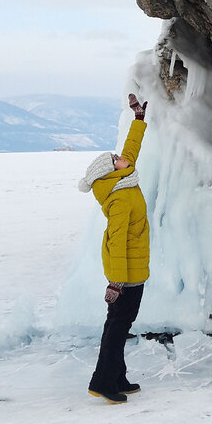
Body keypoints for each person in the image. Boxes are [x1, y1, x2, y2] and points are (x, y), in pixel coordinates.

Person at [78, 93, 150, 404]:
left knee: (120, 324)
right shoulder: (119, 197)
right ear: (109, 172)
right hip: (127, 273)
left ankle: (117, 376)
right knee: (118, 327)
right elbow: (115, 240)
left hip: (133, 268)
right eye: (115, 159)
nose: (120, 157)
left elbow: (130, 151)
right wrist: (116, 282)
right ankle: (103, 382)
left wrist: (138, 121)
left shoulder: (123, 178)